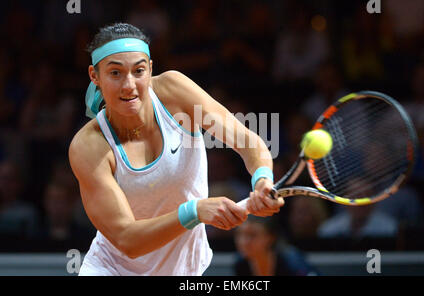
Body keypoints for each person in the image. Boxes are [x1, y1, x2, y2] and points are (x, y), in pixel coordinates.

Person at [68, 23, 284, 276]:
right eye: (115, 73)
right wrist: (194, 211)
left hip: (184, 270)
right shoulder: (89, 146)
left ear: (150, 68)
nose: (129, 85)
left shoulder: (174, 91)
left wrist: (262, 180)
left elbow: (246, 141)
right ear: (95, 76)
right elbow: (128, 240)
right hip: (112, 270)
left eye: (138, 71)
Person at [234, 215, 318, 276]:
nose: (244, 242)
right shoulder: (241, 264)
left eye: (253, 235)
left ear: (271, 237)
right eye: (240, 234)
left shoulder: (292, 260)